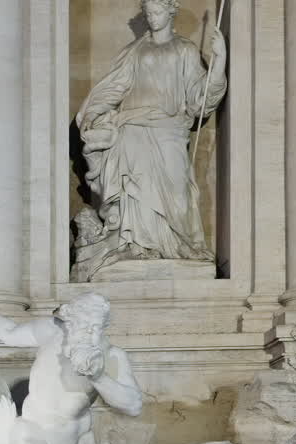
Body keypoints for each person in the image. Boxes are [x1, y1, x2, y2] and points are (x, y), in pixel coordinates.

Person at [73, 0, 227, 281]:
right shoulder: (134, 51)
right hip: (131, 128)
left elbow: (200, 101)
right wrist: (94, 114)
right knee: (134, 189)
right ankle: (135, 245)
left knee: (177, 190)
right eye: (148, 14)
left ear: (171, 12)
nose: (152, 18)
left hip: (168, 129)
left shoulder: (185, 49)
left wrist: (219, 63)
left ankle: (177, 245)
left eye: (157, 12)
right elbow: (114, 87)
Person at [0, 293, 144, 444]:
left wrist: (98, 377)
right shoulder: (52, 331)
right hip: (31, 437)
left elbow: (133, 405)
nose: (91, 336)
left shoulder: (111, 356)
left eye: (97, 329)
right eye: (85, 327)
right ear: (69, 323)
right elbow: (8, 332)